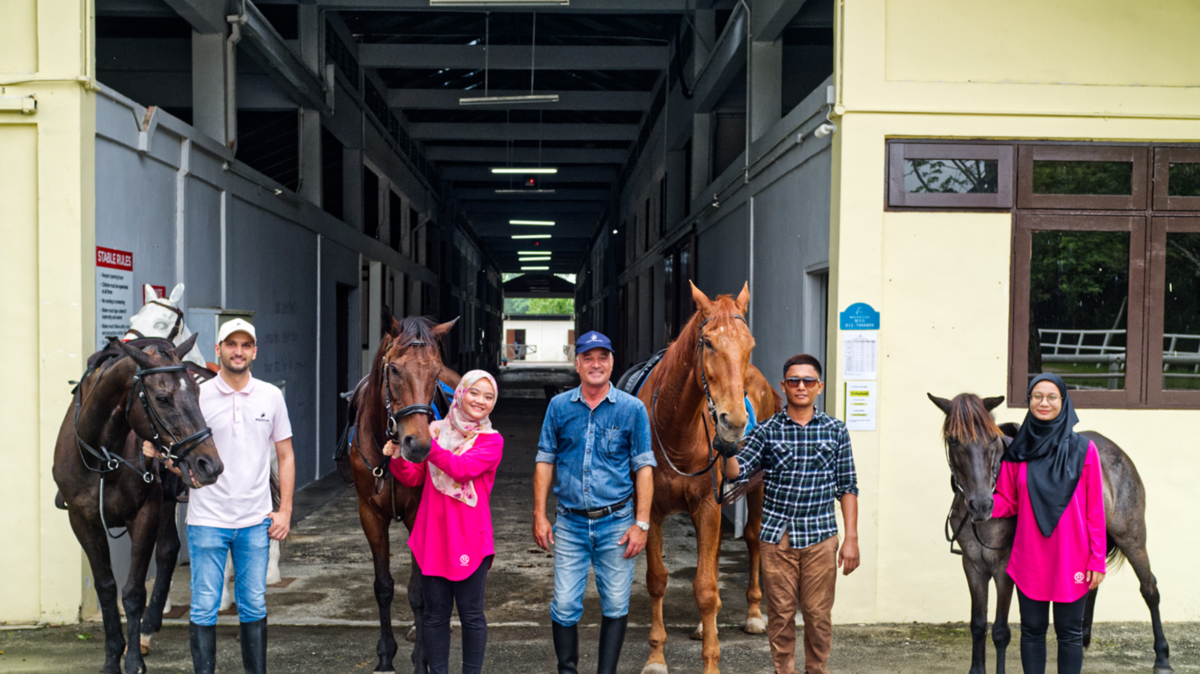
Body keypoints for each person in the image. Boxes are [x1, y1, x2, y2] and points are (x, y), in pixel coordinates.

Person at [147, 318, 294, 674]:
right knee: (204, 606)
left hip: (255, 521)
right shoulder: (197, 395)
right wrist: (165, 459)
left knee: (253, 605)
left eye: (245, 345)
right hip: (207, 521)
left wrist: (285, 511)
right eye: (231, 344)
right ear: (218, 349)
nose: (238, 351)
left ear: (255, 352)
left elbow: (286, 455)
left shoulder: (270, 396)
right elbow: (185, 459)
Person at [723, 354, 859, 674]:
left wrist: (851, 539)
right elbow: (735, 474)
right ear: (783, 386)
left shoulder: (836, 431)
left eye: (808, 381)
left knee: (818, 615)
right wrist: (727, 447)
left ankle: (816, 669)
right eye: (794, 381)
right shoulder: (766, 431)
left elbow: (848, 486)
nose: (801, 386)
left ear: (819, 387)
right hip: (777, 539)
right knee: (781, 616)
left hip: (821, 537)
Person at [533, 330, 655, 674]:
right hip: (570, 523)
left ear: (612, 363)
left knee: (615, 603)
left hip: (616, 523)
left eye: (603, 357)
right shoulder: (559, 407)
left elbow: (644, 468)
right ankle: (567, 671)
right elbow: (545, 460)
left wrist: (641, 523)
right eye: (588, 357)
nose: (596, 364)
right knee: (564, 605)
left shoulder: (632, 409)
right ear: (577, 364)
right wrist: (539, 514)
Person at [382, 370, 504, 674]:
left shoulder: (491, 441)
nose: (480, 400)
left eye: (488, 396)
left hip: (469, 537)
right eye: (474, 392)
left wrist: (426, 442)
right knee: (434, 616)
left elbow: (461, 469)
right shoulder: (435, 431)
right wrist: (398, 457)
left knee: (471, 615)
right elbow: (415, 477)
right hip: (432, 536)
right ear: (460, 393)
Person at [992, 373, 1106, 674]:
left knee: (1069, 634)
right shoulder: (1017, 453)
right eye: (1037, 396)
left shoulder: (1085, 450)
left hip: (1073, 557)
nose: (1044, 402)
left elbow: (1095, 511)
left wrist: (1097, 559)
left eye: (1052, 396)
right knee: (1032, 631)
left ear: (1063, 401)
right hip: (1030, 557)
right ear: (1029, 401)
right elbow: (1008, 502)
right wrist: (981, 504)